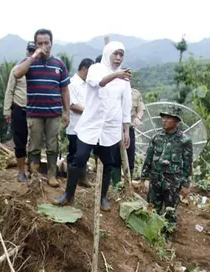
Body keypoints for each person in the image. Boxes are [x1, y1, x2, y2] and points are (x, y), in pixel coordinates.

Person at [55, 41, 131, 211]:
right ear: (107, 54)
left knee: (108, 163)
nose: (118, 58)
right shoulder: (96, 69)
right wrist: (116, 75)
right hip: (91, 124)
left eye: (121, 54)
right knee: (79, 158)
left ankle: (102, 197)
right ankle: (68, 194)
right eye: (115, 54)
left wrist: (125, 129)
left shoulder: (124, 78)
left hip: (109, 127)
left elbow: (126, 104)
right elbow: (98, 83)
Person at [13, 29, 71, 187]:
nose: (44, 46)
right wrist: (33, 57)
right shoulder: (29, 62)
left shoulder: (59, 65)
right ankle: (34, 175)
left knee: (53, 146)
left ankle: (52, 176)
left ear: (51, 43)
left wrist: (67, 112)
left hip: (54, 114)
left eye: (46, 42)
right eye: (40, 43)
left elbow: (65, 90)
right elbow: (17, 74)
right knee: (34, 146)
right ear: (35, 44)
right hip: (34, 114)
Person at [141, 106, 193, 235]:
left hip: (173, 182)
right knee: (152, 208)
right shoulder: (156, 138)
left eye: (168, 118)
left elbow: (187, 165)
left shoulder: (184, 141)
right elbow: (148, 158)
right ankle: (152, 234)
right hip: (155, 179)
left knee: (170, 211)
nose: (164, 120)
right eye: (163, 117)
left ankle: (167, 237)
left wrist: (185, 185)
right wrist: (143, 178)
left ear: (176, 121)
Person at [4, 41, 34, 182]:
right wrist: (7, 110)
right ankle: (21, 172)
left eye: (35, 50)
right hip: (19, 109)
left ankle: (33, 171)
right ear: (27, 52)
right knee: (20, 142)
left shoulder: (41, 70)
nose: (32, 53)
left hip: (35, 112)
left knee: (35, 143)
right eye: (30, 50)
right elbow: (10, 90)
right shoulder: (17, 70)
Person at [65, 58, 94, 188]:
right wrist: (90, 111)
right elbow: (72, 105)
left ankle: (82, 178)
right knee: (74, 154)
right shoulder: (72, 84)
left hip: (86, 127)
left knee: (84, 155)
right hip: (74, 126)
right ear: (84, 69)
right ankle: (71, 180)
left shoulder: (87, 84)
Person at [127, 88, 146, 177]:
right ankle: (116, 184)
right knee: (114, 158)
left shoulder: (135, 93)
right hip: (114, 129)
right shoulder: (111, 90)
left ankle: (128, 182)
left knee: (130, 156)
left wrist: (138, 117)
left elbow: (141, 109)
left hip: (129, 128)